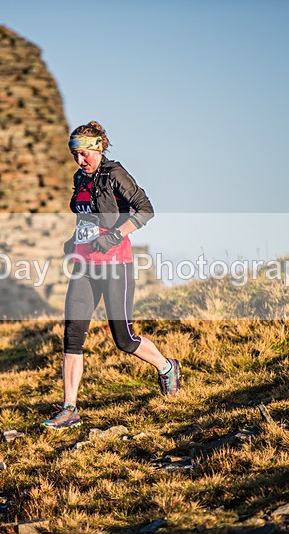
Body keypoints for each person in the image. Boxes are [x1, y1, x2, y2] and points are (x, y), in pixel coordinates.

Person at [41, 121, 180, 430]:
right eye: (75, 154)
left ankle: (166, 366)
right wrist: (72, 240)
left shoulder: (115, 174)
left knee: (123, 338)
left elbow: (145, 210)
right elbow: (86, 216)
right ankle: (69, 409)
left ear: (98, 149)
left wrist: (115, 236)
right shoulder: (80, 177)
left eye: (84, 154)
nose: (79, 161)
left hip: (116, 264)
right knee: (72, 336)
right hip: (84, 266)